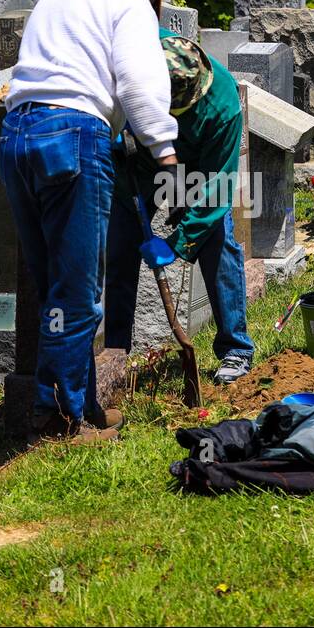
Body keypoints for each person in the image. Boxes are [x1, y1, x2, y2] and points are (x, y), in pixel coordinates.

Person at [0, 0, 178, 443]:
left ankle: (77, 400)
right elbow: (140, 83)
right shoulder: (130, 2)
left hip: (16, 136)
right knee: (77, 292)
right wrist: (164, 150)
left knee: (51, 282)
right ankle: (56, 419)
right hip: (73, 137)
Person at [105, 30, 254, 384]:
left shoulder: (222, 108)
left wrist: (176, 244)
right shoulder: (137, 45)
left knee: (217, 243)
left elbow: (216, 191)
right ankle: (114, 355)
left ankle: (236, 347)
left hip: (196, 165)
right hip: (138, 157)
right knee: (120, 248)